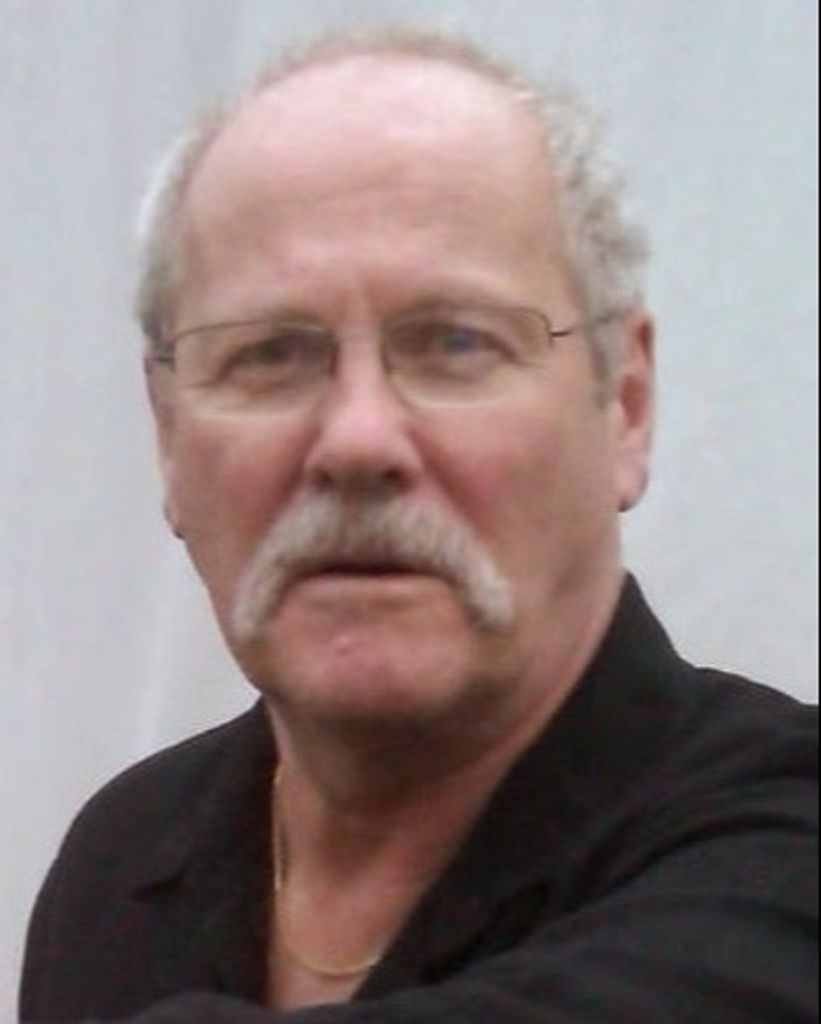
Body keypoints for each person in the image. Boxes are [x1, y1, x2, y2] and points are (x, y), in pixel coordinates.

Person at [20, 28, 817, 1024]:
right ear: (170, 436)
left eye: (454, 343)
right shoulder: (122, 864)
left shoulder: (786, 845)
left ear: (623, 402)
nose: (357, 441)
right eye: (268, 355)